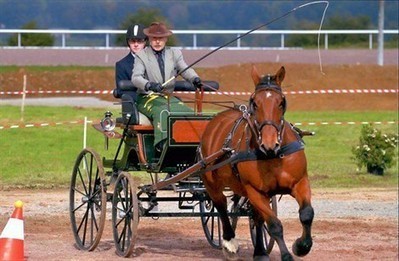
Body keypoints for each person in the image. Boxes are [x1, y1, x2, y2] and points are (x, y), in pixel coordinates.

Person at [132, 22, 202, 152]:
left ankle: (190, 143)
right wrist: (149, 85)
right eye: (154, 39)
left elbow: (185, 69)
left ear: (166, 39)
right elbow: (136, 78)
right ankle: (162, 144)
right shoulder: (142, 55)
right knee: (163, 112)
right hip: (147, 97)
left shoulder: (174, 53)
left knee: (188, 113)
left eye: (160, 39)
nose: (157, 42)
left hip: (168, 97)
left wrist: (195, 79)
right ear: (149, 39)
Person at [114, 23, 147, 101]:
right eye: (132, 41)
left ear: (145, 42)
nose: (136, 44)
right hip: (135, 105)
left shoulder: (154, 60)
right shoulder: (121, 65)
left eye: (139, 41)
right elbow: (121, 91)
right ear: (128, 42)